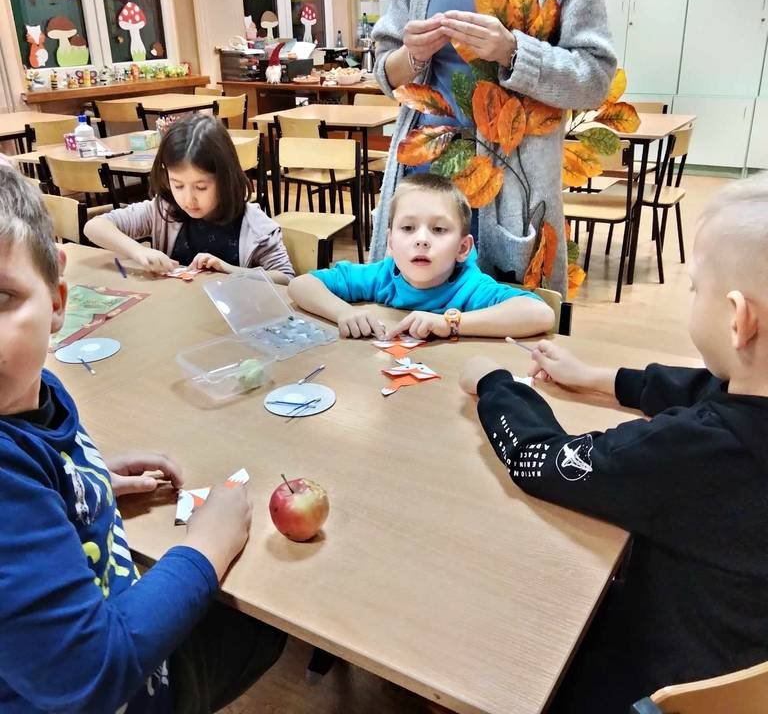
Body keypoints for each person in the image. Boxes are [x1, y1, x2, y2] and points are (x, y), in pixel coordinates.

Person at [458, 175, 768, 712]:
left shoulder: (696, 450)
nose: (692, 297)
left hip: (661, 679)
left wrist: (494, 384)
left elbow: (541, 462)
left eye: (696, 288)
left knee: (489, 633)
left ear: (738, 319)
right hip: (740, 653)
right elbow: (703, 387)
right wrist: (597, 378)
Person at [0, 165, 286, 713]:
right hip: (123, 689)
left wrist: (83, 480)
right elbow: (92, 672)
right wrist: (206, 546)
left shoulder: (36, 391)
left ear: (57, 300)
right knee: (265, 623)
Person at [371, 0, 617, 295]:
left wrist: (513, 52)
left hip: (512, 188)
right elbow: (385, 71)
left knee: (502, 317)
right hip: (421, 180)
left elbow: (595, 79)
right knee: (407, 314)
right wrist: (413, 55)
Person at [288, 173, 553, 339]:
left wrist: (451, 323)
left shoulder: (470, 286)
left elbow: (540, 314)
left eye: (438, 229)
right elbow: (300, 285)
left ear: (463, 248)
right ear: (391, 242)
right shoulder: (382, 275)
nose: (421, 239)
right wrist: (343, 312)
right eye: (407, 228)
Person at [84, 114, 294, 284]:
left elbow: (285, 278)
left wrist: (231, 271)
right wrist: (138, 251)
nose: (188, 199)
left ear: (225, 179)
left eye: (201, 187)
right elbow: (94, 227)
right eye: (178, 185)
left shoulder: (255, 226)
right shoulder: (164, 209)